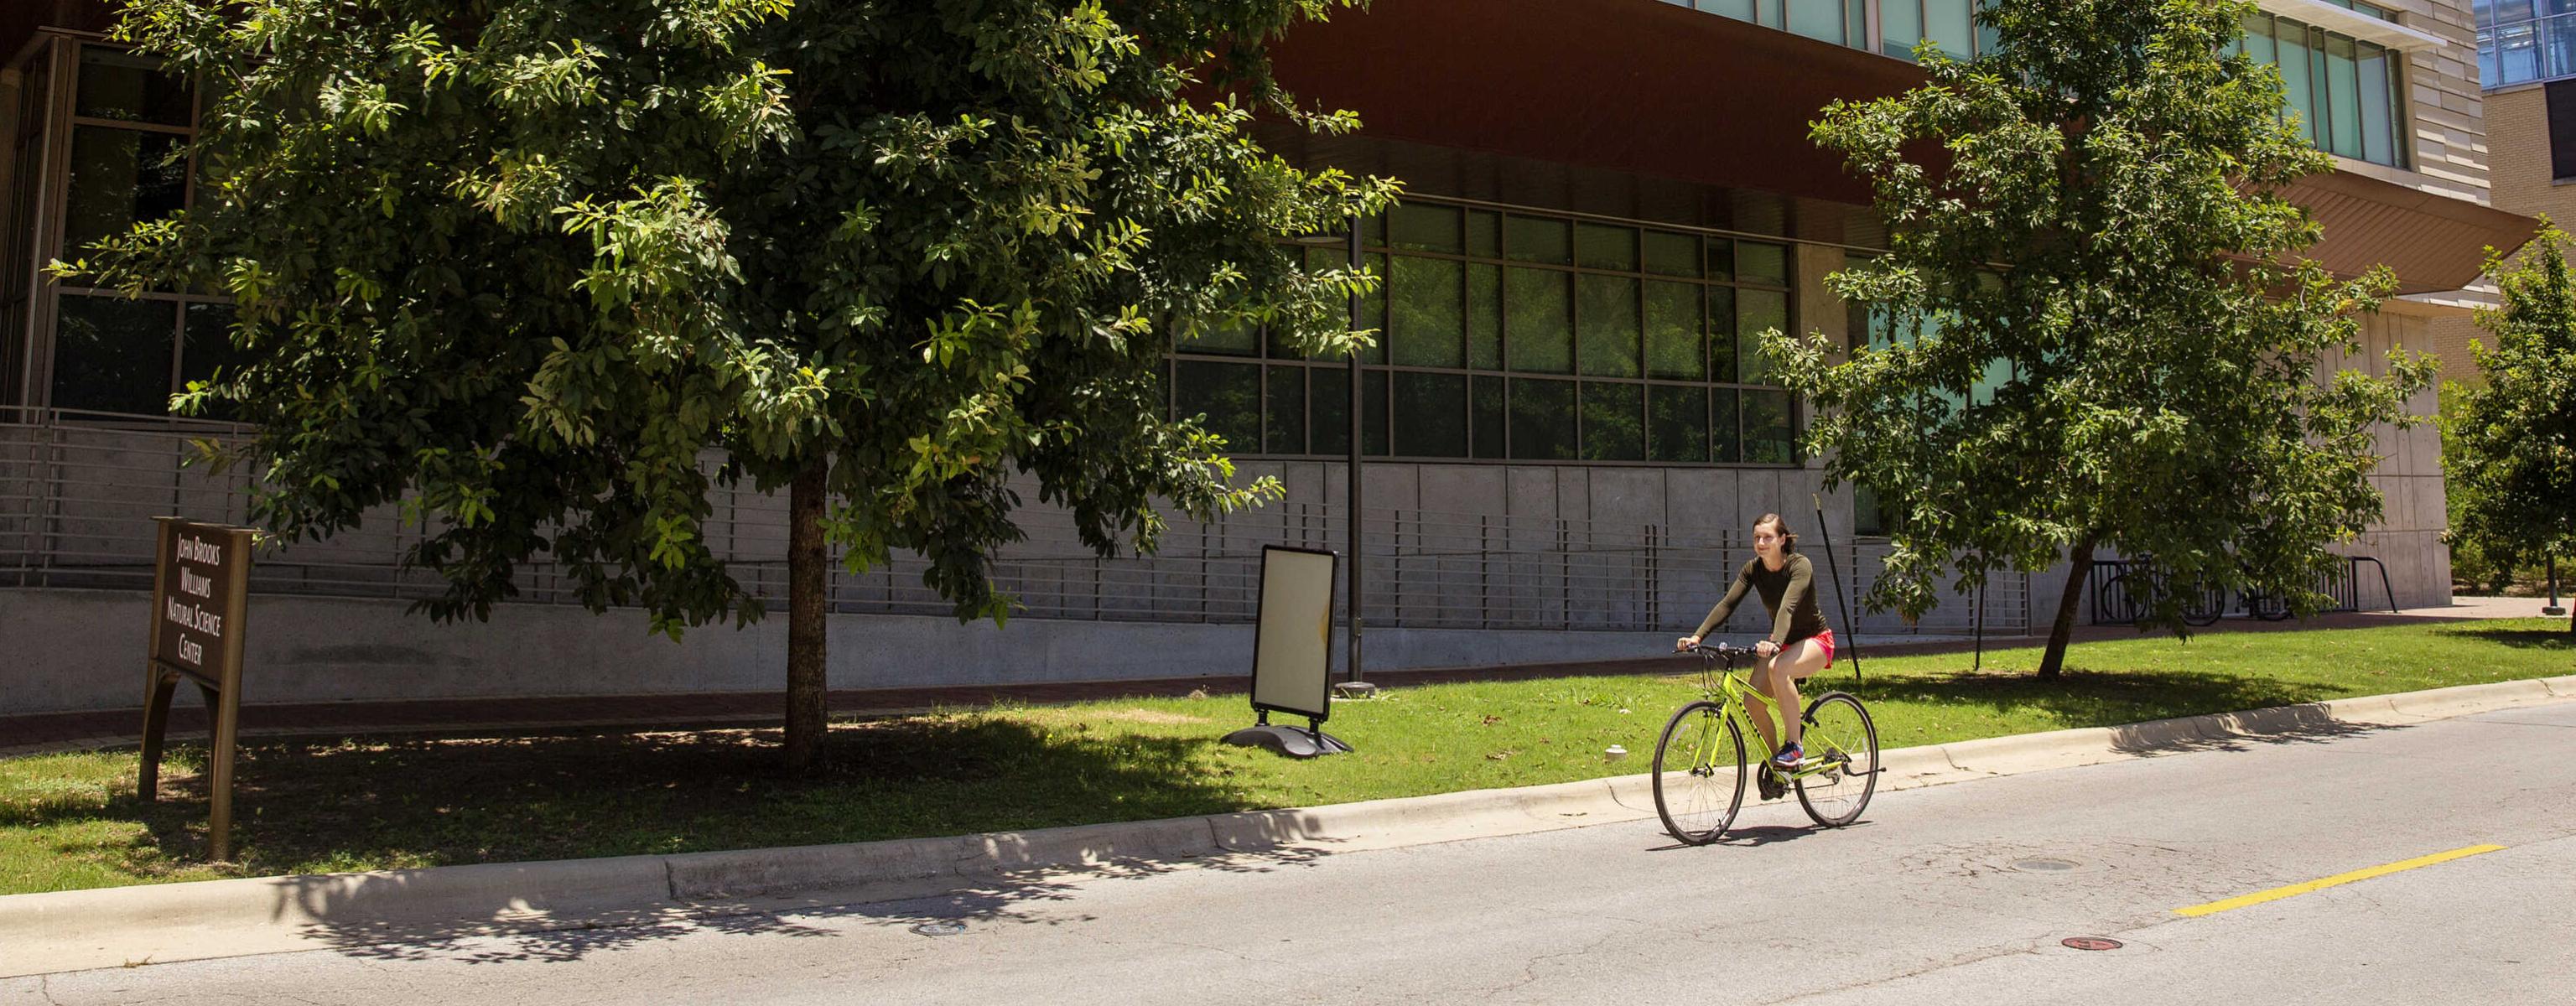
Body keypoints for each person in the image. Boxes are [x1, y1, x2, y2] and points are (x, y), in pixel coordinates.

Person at [1674, 512, 1837, 799]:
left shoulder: (1800, 566)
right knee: (1751, 702)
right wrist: (1697, 636)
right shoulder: (1753, 569)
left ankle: (1794, 746)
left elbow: (1787, 608)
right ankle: (1780, 765)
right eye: (1757, 538)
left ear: (1782, 539)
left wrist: (1774, 642)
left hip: (1814, 641)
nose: (1761, 543)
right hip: (1781, 644)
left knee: (1779, 667)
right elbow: (1727, 603)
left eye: (1768, 537)